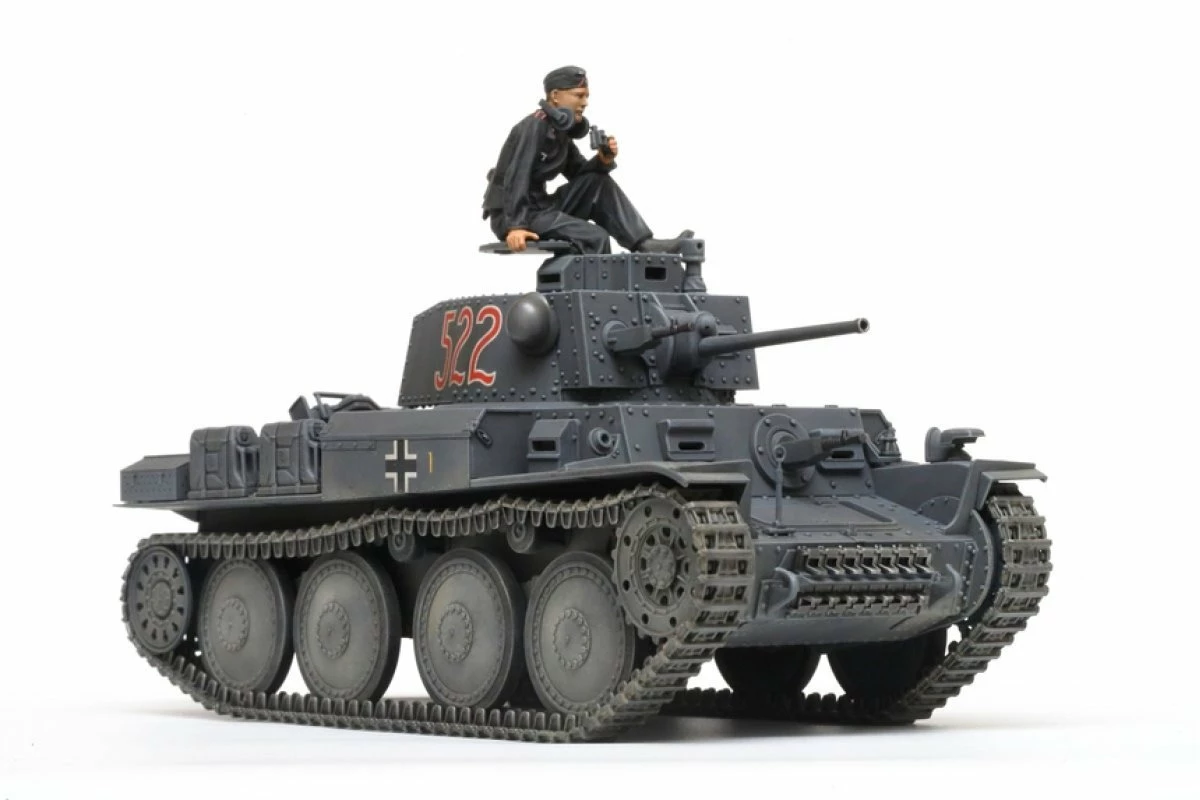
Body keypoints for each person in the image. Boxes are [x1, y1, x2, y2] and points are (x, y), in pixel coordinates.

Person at [482, 66, 694, 256]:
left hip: (540, 207)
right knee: (594, 237)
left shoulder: (559, 132)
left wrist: (602, 161)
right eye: (579, 95)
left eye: (586, 96)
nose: (584, 103)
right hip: (516, 213)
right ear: (555, 96)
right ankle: (604, 287)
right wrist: (516, 226)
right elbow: (517, 176)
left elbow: (579, 174)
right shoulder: (535, 126)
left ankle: (643, 244)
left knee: (597, 182)